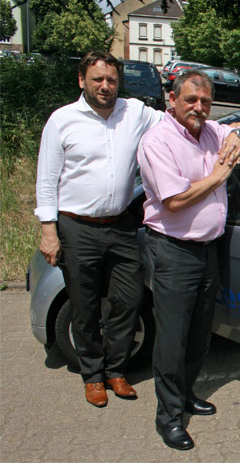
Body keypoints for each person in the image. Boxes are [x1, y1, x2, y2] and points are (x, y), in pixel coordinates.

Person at [35, 51, 163, 407]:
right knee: (84, 303)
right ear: (82, 81)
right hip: (77, 227)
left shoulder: (134, 112)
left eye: (111, 80)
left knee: (129, 298)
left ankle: (117, 370)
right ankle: (93, 375)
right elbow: (46, 180)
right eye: (97, 80)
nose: (105, 86)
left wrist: (225, 128)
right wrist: (49, 229)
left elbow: (176, 122)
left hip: (121, 224)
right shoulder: (62, 121)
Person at [137, 70, 240, 450]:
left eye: (205, 101)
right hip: (174, 251)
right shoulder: (158, 141)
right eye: (190, 100)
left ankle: (186, 395)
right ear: (172, 100)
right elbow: (175, 200)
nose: (198, 108)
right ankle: (168, 418)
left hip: (209, 250)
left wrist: (238, 134)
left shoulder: (211, 130)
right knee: (171, 340)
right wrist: (220, 174)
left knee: (201, 334)